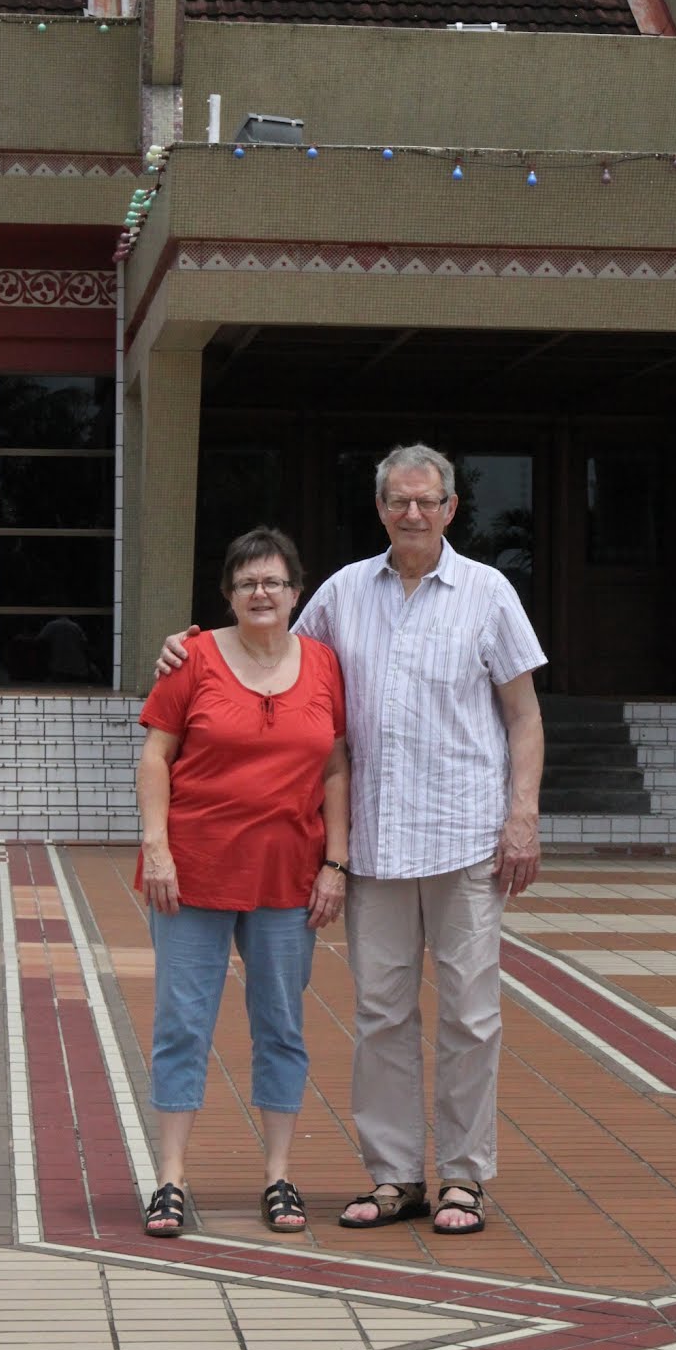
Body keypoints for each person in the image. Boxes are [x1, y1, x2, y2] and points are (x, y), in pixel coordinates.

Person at [156, 446, 545, 1235]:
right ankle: (395, 1174)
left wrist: (522, 816)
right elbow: (270, 653)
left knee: (471, 1017)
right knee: (380, 1016)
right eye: (398, 500)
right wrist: (184, 647)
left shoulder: (488, 592)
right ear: (380, 508)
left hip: (465, 838)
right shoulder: (341, 593)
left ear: (450, 508)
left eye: (426, 501)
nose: (412, 513)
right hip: (377, 844)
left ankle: (463, 1177)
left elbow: (523, 714)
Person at [137, 525, 349, 1238]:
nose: (261, 593)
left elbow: (336, 767)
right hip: (190, 873)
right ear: (228, 594)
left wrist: (336, 863)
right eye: (247, 582)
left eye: (274, 582)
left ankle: (279, 1175)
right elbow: (155, 757)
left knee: (281, 1026)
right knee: (181, 1025)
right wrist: (156, 848)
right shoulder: (190, 658)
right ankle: (170, 1179)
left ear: (296, 592)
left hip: (288, 874)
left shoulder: (323, 664)